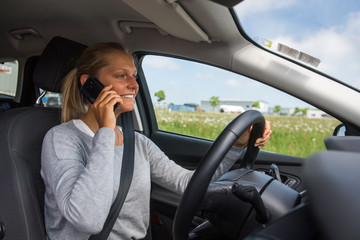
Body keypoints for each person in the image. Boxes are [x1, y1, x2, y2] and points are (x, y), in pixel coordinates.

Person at [40, 42, 271, 240]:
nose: (134, 85)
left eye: (135, 76)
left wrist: (236, 146)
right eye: (122, 76)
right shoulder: (61, 139)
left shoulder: (137, 143)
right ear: (89, 83)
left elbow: (188, 184)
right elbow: (88, 219)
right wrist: (106, 131)